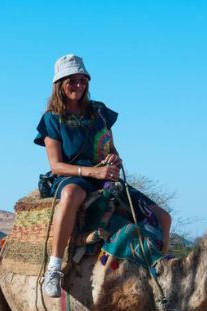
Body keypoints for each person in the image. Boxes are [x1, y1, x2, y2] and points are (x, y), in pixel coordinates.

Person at [34, 54, 172, 298]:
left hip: (105, 177)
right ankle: (54, 267)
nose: (78, 85)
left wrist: (114, 159)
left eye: (82, 80)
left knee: (163, 217)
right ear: (60, 84)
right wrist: (91, 171)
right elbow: (56, 165)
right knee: (71, 194)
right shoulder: (51, 119)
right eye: (72, 80)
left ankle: (159, 269)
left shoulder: (99, 112)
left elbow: (111, 148)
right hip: (73, 176)